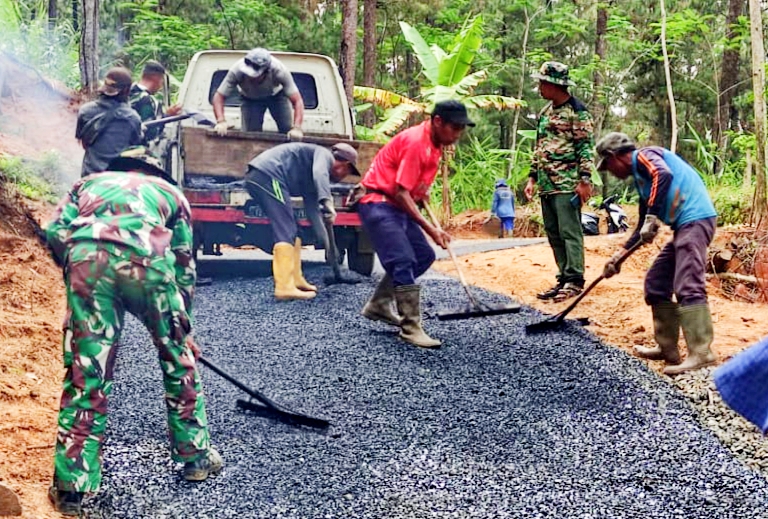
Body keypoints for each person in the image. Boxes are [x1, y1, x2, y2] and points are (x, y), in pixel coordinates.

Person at [45, 147, 221, 516]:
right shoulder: (172, 194)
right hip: (148, 268)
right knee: (177, 362)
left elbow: (55, 231)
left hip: (88, 264)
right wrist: (181, 328)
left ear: (120, 167)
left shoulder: (86, 184)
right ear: (155, 171)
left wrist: (81, 266)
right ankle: (195, 458)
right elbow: (185, 263)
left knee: (87, 372)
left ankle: (71, 487)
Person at [596, 132, 718, 376]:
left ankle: (702, 353)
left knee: (688, 284)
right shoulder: (643, 182)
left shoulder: (647, 155)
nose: (609, 172)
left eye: (607, 165)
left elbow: (663, 174)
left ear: (614, 156)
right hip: (683, 227)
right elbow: (641, 227)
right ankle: (667, 348)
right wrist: (618, 258)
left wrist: (653, 217)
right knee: (656, 282)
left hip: (695, 220)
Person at [357, 100, 474, 348]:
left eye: (461, 129)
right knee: (403, 259)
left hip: (396, 205)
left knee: (422, 255)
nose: (458, 134)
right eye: (454, 127)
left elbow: (413, 188)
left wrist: (422, 193)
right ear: (438, 121)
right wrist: (431, 229)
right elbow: (400, 192)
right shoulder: (416, 143)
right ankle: (410, 327)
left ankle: (379, 304)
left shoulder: (436, 145)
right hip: (379, 202)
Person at [244, 142, 358, 301]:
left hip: (264, 177)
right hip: (267, 175)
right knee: (285, 229)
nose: (343, 177)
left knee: (295, 231)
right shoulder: (324, 155)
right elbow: (320, 174)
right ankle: (284, 287)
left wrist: (328, 246)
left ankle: (296, 279)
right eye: (347, 173)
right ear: (344, 165)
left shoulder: (309, 175)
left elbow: (313, 211)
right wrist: (328, 202)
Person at [524, 61, 594, 302]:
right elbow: (539, 148)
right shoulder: (545, 113)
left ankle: (575, 279)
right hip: (547, 184)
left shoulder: (577, 112)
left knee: (569, 231)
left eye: (543, 83)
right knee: (554, 233)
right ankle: (563, 277)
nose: (540, 88)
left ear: (555, 85)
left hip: (567, 183)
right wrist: (532, 177)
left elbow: (585, 148)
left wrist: (585, 180)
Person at [212, 48, 304, 139]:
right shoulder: (237, 70)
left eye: (255, 76)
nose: (250, 77)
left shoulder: (279, 71)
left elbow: (297, 100)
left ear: (266, 72)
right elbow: (219, 96)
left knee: (288, 130)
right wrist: (221, 121)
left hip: (277, 97)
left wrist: (297, 128)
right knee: (250, 135)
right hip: (250, 99)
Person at [75, 67, 143, 177]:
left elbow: (84, 143)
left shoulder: (85, 111)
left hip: (89, 177)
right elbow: (135, 147)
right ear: (126, 91)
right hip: (118, 180)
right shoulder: (133, 118)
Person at [129, 60, 183, 143]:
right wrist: (167, 116)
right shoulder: (146, 100)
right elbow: (150, 133)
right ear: (156, 78)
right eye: (162, 80)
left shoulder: (127, 93)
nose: (161, 85)